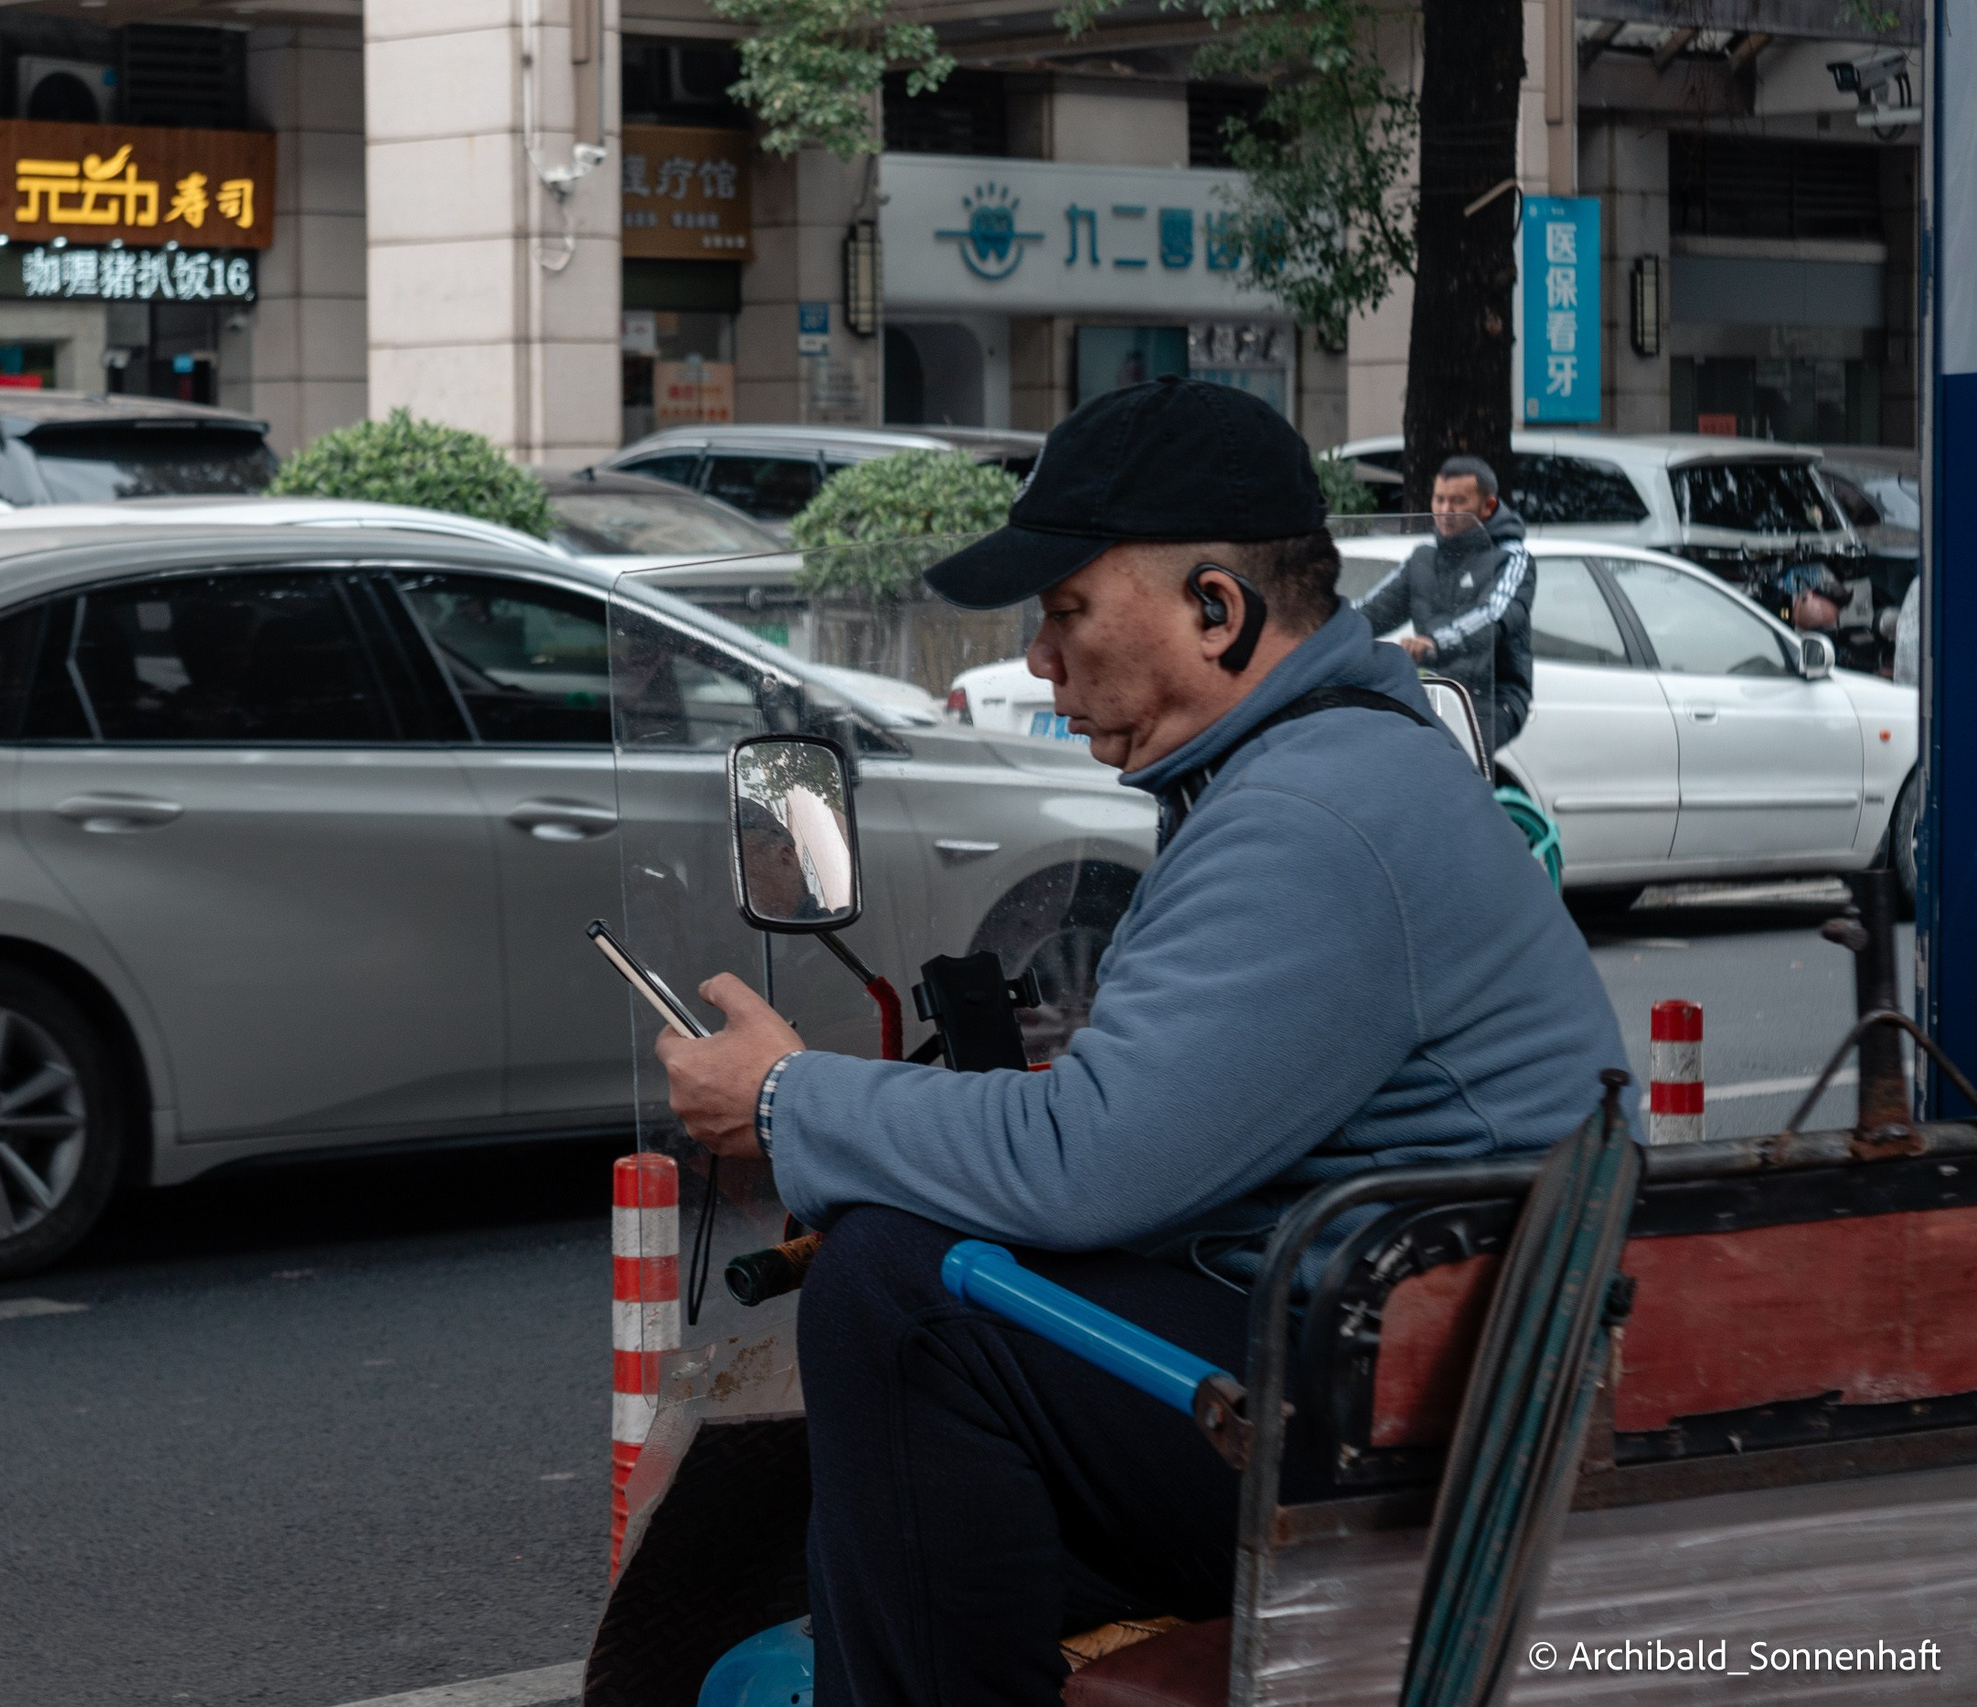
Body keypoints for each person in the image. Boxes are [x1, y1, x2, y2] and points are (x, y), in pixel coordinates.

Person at [651, 378, 1628, 1707]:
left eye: (1065, 609)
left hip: (1378, 1424)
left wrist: (782, 1100)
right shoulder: (1323, 768)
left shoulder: (1309, 814)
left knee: (893, 1293)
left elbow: (1090, 1160)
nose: (1042, 658)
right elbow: (1155, 1120)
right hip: (1385, 1364)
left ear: (1216, 610)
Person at [1356, 454, 1536, 751]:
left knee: (1454, 754)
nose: (1445, 511)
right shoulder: (1423, 558)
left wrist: (1435, 644)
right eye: (1438, 500)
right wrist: (1327, 626)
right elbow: (1372, 609)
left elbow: (1492, 616)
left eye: (1457, 502)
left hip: (1492, 697)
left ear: (1488, 507)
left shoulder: (1512, 560)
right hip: (1435, 690)